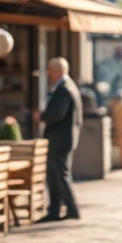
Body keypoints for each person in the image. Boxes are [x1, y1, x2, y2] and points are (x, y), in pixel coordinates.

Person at [35, 57, 82, 223]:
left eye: (50, 70)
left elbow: (57, 114)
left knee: (60, 175)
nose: (48, 74)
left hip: (60, 139)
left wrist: (42, 116)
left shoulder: (64, 89)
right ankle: (56, 209)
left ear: (57, 71)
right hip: (63, 139)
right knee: (55, 176)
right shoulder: (68, 86)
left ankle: (70, 208)